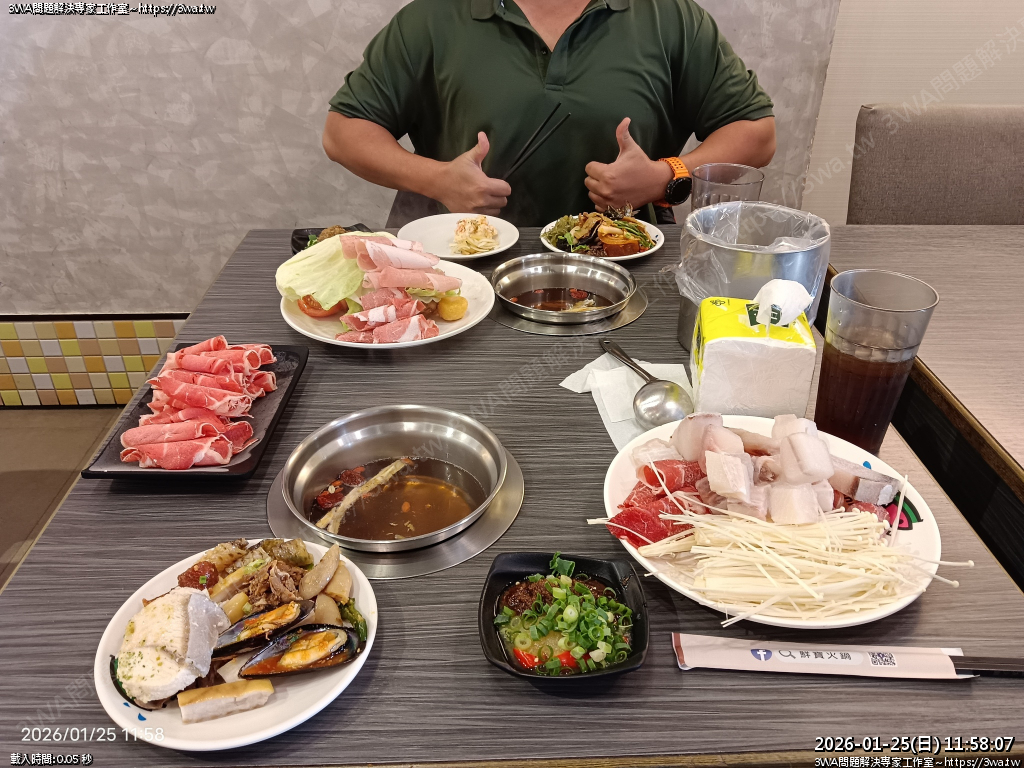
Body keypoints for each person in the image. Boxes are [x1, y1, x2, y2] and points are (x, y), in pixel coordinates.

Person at [322, 0, 775, 226]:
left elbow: (755, 133)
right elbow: (344, 132)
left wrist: (664, 177)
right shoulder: (433, 17)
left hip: (627, 270)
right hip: (459, 272)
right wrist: (438, 180)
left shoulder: (668, 16)